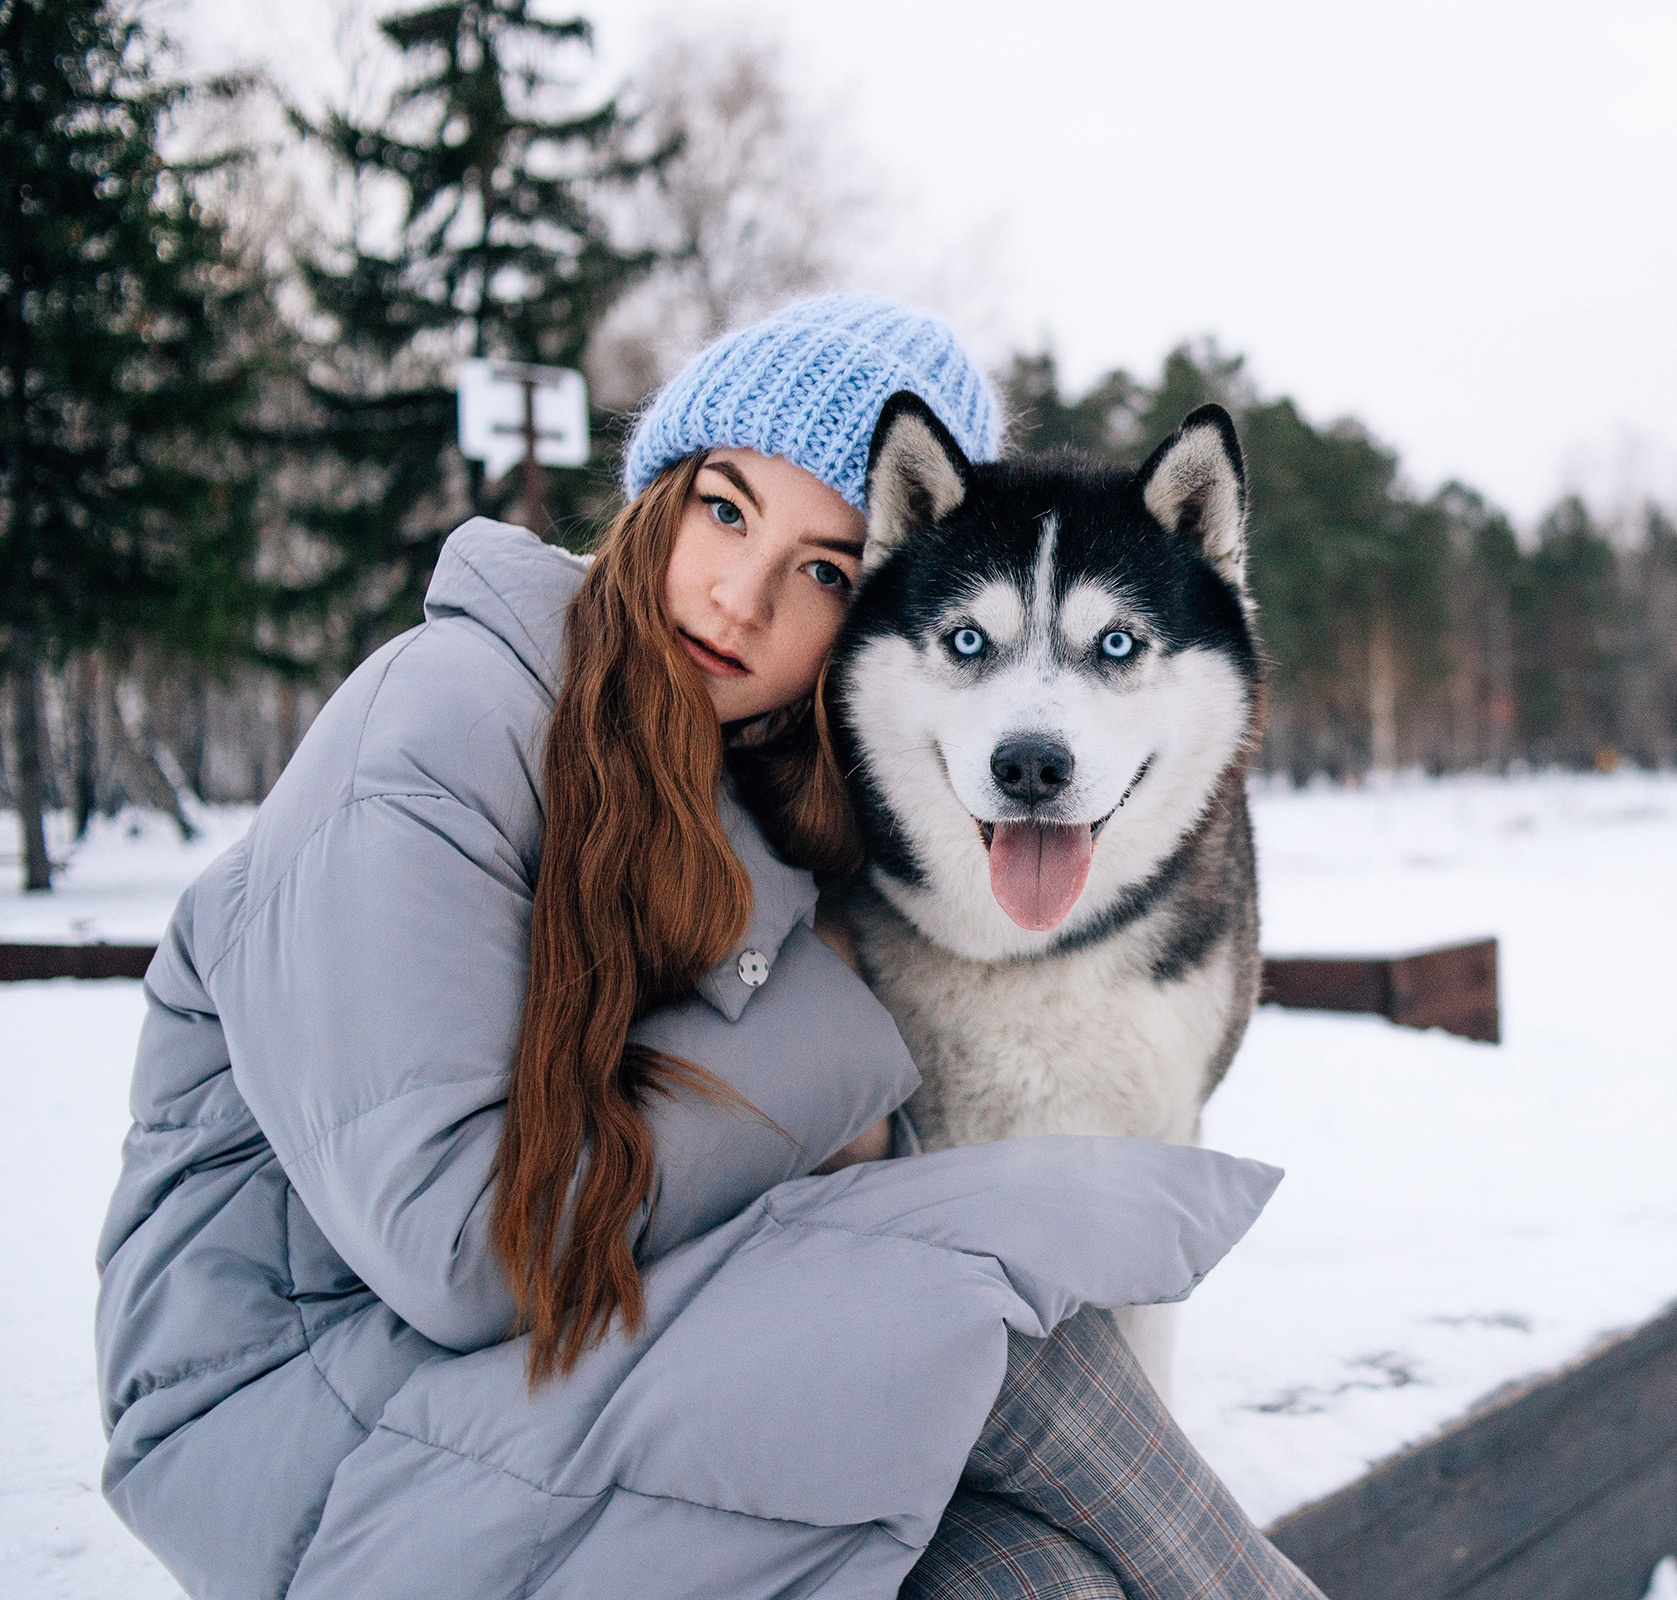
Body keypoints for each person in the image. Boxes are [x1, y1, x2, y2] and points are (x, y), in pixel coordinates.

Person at [95, 294, 1324, 1600]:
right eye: (723, 510)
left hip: (553, 1382)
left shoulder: (750, 791)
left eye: (822, 571)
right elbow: (456, 1254)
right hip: (304, 1409)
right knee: (967, 1310)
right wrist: (833, 1057)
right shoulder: (440, 720)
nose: (740, 598)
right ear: (651, 496)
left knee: (1041, 1582)